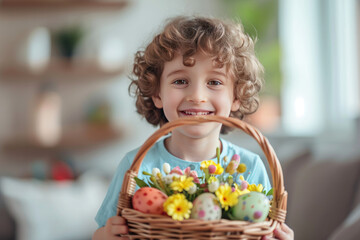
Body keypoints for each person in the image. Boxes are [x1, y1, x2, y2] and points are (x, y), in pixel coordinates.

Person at [92, 16, 294, 240]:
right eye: (180, 81)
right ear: (157, 94)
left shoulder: (249, 167)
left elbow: (264, 229)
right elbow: (103, 231)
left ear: (236, 96)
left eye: (214, 82)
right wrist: (106, 236)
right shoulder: (136, 165)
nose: (197, 97)